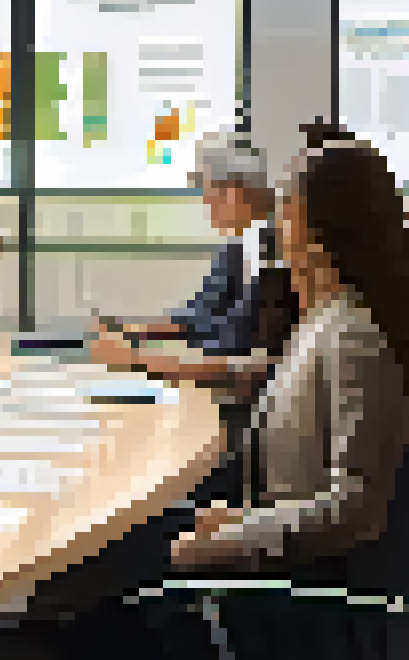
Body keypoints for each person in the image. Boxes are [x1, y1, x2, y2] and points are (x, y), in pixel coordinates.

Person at [165, 134, 409, 576]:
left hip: (298, 581)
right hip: (279, 538)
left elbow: (353, 511)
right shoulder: (328, 317)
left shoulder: (354, 336)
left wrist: (230, 538)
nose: (276, 224)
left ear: (315, 229)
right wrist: (240, 520)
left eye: (286, 210)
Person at [88, 131, 300, 501]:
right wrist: (130, 334)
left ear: (232, 192)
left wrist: (139, 361)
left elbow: (242, 361)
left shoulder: (270, 254)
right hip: (219, 400)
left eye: (207, 192)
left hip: (245, 425)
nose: (204, 204)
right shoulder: (240, 246)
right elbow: (197, 320)